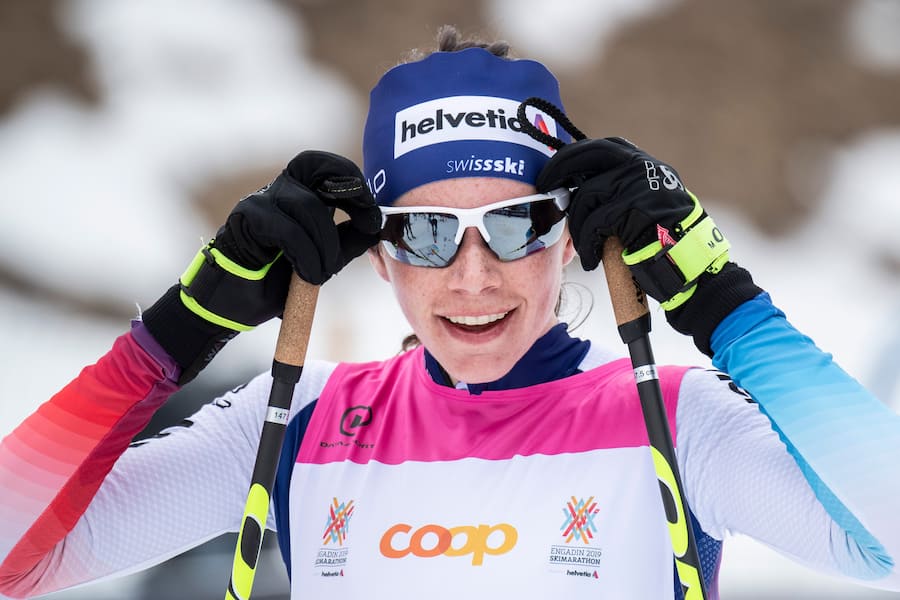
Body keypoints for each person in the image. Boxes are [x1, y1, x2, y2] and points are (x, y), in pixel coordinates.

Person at [1, 25, 898, 600]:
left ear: (564, 237)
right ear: (380, 253)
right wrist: (174, 337)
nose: (473, 277)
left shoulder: (673, 420)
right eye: (427, 232)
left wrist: (729, 309)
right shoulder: (299, 427)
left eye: (514, 226)